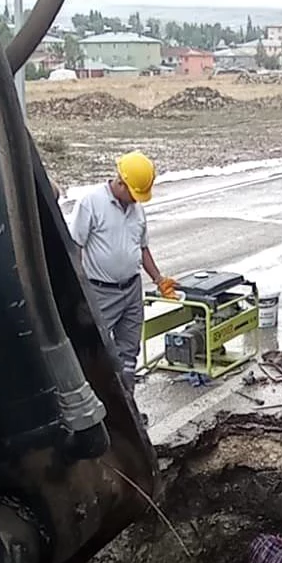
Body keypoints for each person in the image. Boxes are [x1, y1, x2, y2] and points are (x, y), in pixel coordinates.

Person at [65, 152, 175, 398]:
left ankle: (129, 404)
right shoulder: (91, 203)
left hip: (132, 289)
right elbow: (76, 247)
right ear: (121, 183)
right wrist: (78, 291)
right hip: (101, 291)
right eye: (134, 194)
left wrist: (158, 279)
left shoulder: (136, 209)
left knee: (129, 351)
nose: (137, 201)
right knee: (97, 349)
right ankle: (101, 408)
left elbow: (142, 246)